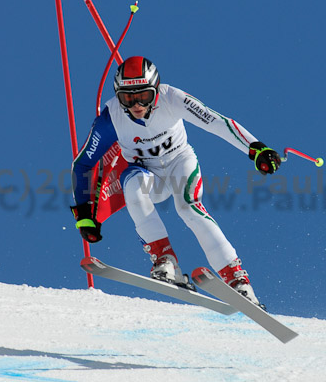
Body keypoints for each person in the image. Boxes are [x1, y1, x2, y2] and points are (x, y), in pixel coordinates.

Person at [70, 56, 280, 307]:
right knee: (133, 188)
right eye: (128, 98)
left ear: (156, 90)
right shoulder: (111, 118)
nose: (136, 104)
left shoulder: (173, 98)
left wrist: (255, 148)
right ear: (119, 95)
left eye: (144, 96)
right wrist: (84, 212)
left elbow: (216, 122)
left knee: (188, 207)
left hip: (180, 163)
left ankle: (238, 281)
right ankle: (165, 260)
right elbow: (83, 164)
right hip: (148, 174)